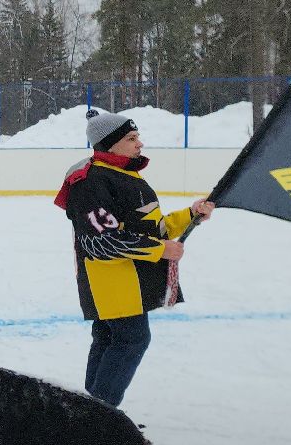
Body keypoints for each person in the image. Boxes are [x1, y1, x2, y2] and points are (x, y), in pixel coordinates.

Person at [55, 108, 214, 410]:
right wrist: (160, 250)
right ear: (110, 143)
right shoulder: (90, 182)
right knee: (131, 340)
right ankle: (100, 422)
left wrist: (191, 216)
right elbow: (102, 241)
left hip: (130, 281)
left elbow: (152, 228)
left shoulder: (124, 174)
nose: (139, 143)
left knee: (108, 339)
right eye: (131, 138)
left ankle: (91, 414)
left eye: (138, 136)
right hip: (111, 281)